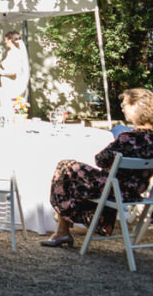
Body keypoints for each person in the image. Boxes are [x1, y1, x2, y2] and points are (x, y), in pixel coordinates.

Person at [42, 88, 153, 247]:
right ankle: (75, 225)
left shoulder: (128, 138)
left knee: (65, 167)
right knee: (81, 180)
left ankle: (62, 228)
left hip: (114, 191)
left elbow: (100, 159)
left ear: (136, 106)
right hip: (134, 193)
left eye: (125, 104)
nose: (122, 108)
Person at [0, 30, 30, 117]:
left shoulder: (14, 53)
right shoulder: (14, 52)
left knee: (7, 110)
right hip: (8, 85)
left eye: (5, 40)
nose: (5, 42)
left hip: (11, 86)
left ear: (10, 40)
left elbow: (13, 72)